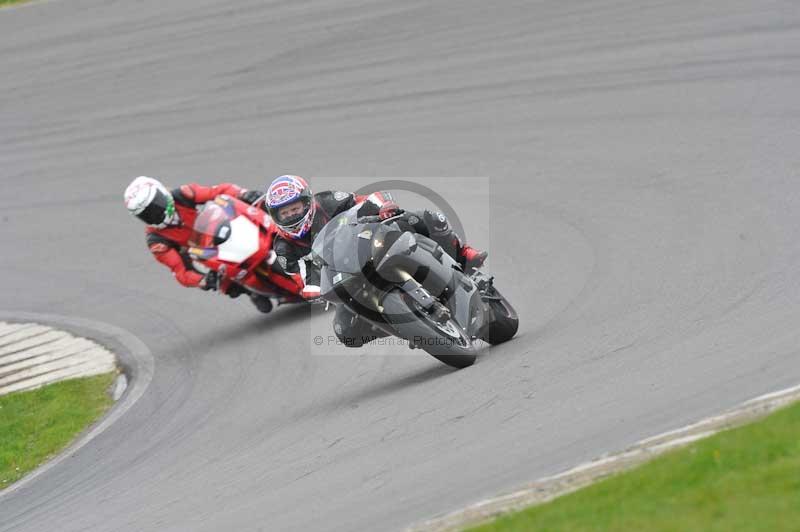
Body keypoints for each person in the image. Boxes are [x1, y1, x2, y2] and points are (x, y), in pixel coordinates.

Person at [260, 175, 488, 345]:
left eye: (294, 208)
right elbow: (304, 276)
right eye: (285, 213)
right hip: (346, 276)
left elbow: (366, 200)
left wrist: (383, 208)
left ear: (307, 203)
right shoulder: (284, 248)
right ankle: (409, 327)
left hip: (369, 243)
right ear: (275, 216)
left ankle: (464, 255)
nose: (291, 215)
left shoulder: (327, 201)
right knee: (345, 332)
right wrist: (312, 290)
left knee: (426, 217)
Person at [123, 176, 274, 313]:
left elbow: (219, 191)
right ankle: (251, 290)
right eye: (147, 214)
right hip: (207, 253)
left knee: (259, 204)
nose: (155, 213)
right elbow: (180, 272)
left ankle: (284, 229)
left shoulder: (183, 194)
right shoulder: (156, 241)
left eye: (156, 205)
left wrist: (242, 193)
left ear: (163, 192)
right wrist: (203, 281)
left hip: (224, 227)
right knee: (226, 285)